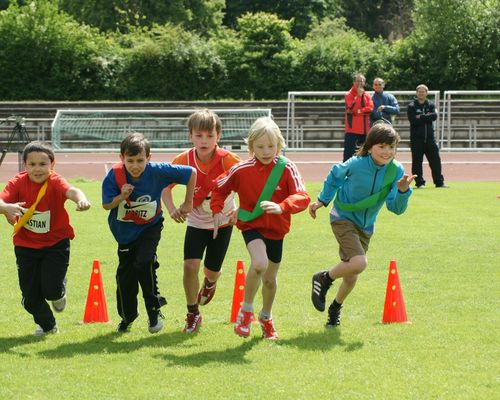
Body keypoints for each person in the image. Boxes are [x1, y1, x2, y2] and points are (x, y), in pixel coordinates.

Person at [211, 117, 310, 340]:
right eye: (260, 147)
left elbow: (303, 196)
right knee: (259, 264)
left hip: (277, 230)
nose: (266, 151)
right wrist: (217, 210)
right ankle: (246, 311)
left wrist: (282, 206)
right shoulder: (241, 169)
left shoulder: (287, 167)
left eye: (271, 146)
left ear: (279, 145)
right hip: (251, 225)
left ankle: (266, 317)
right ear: (251, 147)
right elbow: (218, 187)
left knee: (269, 280)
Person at [309, 123, 415, 327]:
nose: (387, 152)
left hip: (366, 225)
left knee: (351, 274)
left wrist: (402, 191)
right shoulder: (356, 163)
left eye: (391, 147)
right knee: (359, 263)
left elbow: (396, 208)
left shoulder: (396, 171)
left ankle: (335, 308)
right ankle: (324, 278)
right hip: (343, 217)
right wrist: (322, 200)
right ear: (370, 146)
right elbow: (335, 176)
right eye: (381, 146)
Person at [102, 132, 196, 334]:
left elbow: (191, 173)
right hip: (124, 234)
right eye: (130, 161)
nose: (135, 165)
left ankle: (154, 311)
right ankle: (127, 318)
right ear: (121, 159)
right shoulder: (114, 176)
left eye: (140, 160)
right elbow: (106, 204)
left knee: (144, 262)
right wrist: (121, 196)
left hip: (150, 227)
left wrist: (188, 202)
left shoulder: (158, 171)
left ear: (149, 158)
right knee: (126, 277)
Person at [162, 109, 241, 334]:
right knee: (189, 266)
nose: (203, 141)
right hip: (196, 222)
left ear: (218, 136)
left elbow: (248, 182)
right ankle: (192, 313)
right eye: (198, 135)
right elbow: (165, 187)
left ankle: (210, 282)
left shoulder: (229, 160)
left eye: (209, 135)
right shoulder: (183, 160)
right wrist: (171, 209)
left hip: (222, 222)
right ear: (190, 136)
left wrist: (241, 210)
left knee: (211, 271)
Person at [0, 141, 91, 336]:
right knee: (30, 298)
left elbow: (72, 190)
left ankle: (59, 290)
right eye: (32, 164)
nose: (37, 169)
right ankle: (48, 325)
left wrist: (81, 199)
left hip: (55, 244)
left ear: (52, 165)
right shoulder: (18, 182)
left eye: (43, 164)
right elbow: (2, 200)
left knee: (51, 290)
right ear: (25, 165)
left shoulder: (56, 181)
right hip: (25, 246)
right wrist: (5, 208)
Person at [407, 84, 447, 188]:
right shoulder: (412, 106)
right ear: (416, 93)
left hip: (430, 139)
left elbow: (434, 116)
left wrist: (421, 116)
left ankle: (439, 183)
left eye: (423, 91)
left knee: (435, 161)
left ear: (426, 93)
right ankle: (419, 183)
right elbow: (413, 120)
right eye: (419, 91)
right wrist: (426, 118)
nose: (421, 93)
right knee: (417, 163)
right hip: (417, 140)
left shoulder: (431, 105)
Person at [343, 73, 374, 162]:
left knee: (364, 155)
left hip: (364, 131)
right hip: (352, 130)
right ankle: (346, 175)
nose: (360, 83)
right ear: (353, 82)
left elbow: (370, 109)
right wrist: (358, 97)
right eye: (357, 81)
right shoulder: (349, 94)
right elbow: (351, 107)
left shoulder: (367, 95)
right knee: (349, 156)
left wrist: (359, 111)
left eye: (362, 81)